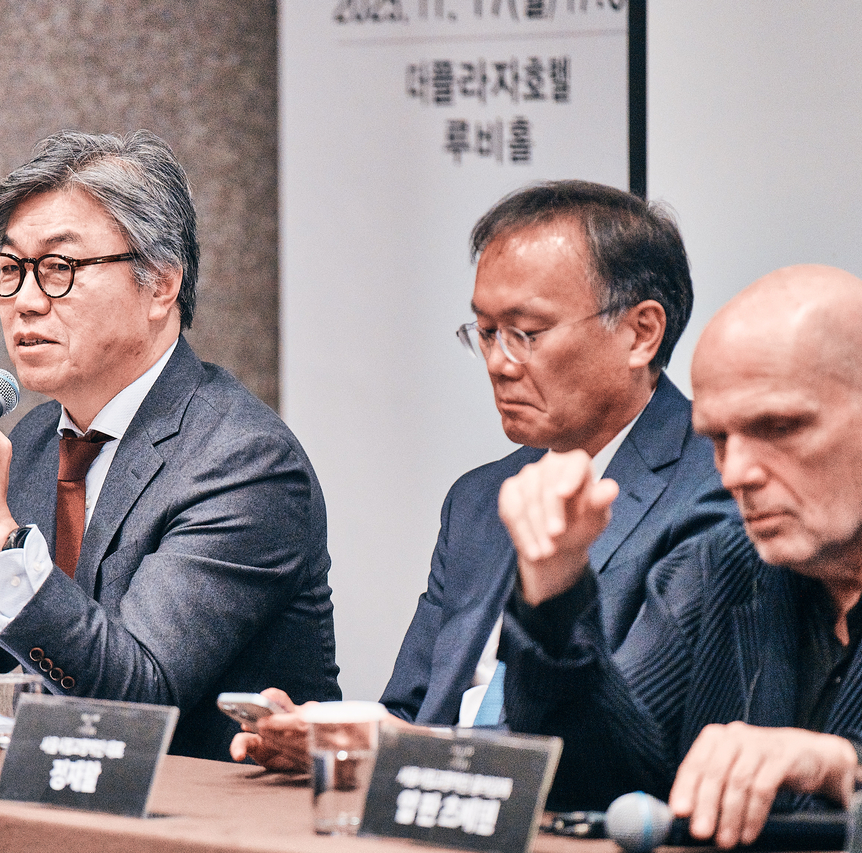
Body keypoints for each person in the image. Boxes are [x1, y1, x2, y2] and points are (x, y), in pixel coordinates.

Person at [0, 130, 341, 762]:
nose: (23, 302)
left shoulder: (242, 461)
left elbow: (138, 695)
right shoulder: (42, 438)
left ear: (159, 284)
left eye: (58, 269)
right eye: (12, 269)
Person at [232, 180, 736, 770]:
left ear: (640, 332)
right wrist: (333, 739)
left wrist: (394, 750)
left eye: (526, 332)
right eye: (487, 332)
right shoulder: (478, 499)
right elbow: (412, 709)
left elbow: (622, 741)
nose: (498, 362)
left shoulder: (717, 489)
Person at [498, 265, 862, 848]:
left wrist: (844, 770)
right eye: (718, 438)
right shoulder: (721, 567)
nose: (736, 473)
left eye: (779, 426)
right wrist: (555, 584)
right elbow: (596, 788)